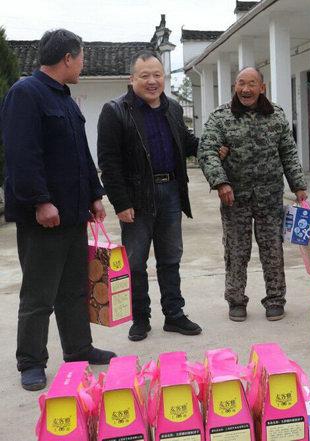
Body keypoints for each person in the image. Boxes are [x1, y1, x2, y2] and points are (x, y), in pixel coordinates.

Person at [1, 29, 116, 391]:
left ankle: (78, 349)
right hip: (43, 218)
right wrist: (40, 200)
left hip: (73, 213)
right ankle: (31, 362)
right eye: (81, 58)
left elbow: (81, 153)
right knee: (39, 294)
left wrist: (94, 195)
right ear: (68, 57)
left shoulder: (65, 99)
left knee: (74, 289)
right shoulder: (26, 93)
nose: (83, 65)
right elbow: (21, 154)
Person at [98, 50, 201, 342]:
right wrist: (121, 202)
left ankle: (174, 314)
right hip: (136, 196)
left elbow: (186, 142)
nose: (152, 81)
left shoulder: (173, 108)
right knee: (135, 262)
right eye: (145, 76)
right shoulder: (115, 111)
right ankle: (140, 318)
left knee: (170, 258)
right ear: (132, 79)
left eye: (157, 75)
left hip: (171, 191)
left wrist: (213, 146)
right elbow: (108, 162)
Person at [198, 67, 307, 322]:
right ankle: (236, 300)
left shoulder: (276, 115)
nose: (246, 89)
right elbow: (207, 151)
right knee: (236, 251)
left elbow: (289, 153)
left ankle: (275, 299)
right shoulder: (220, 117)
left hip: (270, 197)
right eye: (241, 83)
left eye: (252, 84)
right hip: (234, 198)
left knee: (273, 249)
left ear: (262, 88)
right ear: (235, 85)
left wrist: (298, 186)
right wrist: (221, 183)